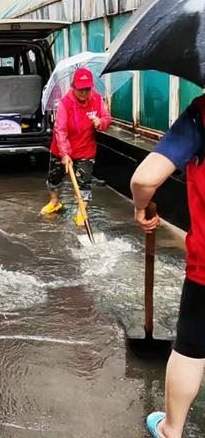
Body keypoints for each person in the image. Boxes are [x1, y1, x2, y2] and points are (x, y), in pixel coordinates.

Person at [131, 96, 205, 438]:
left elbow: (144, 179)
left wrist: (140, 208)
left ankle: (171, 429)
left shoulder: (201, 114)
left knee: (191, 348)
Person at [40, 68, 111, 226]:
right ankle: (54, 202)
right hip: (61, 149)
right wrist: (65, 154)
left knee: (84, 182)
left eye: (87, 89)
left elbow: (107, 118)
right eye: (81, 89)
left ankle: (81, 212)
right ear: (73, 86)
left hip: (86, 148)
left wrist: (101, 122)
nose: (84, 93)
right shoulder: (65, 103)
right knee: (54, 178)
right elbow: (60, 130)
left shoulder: (97, 99)